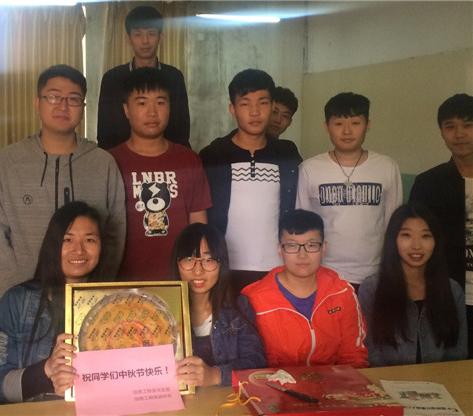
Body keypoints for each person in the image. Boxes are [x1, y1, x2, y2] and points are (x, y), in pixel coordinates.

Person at [0, 64, 125, 296]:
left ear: (83, 108)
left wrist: (98, 289)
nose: (63, 105)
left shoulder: (103, 163)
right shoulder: (8, 162)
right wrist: (13, 297)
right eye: (53, 97)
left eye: (73, 99)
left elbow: (115, 234)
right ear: (37, 103)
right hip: (24, 296)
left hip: (88, 300)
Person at [0, 201, 106, 403]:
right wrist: (48, 369)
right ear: (52, 245)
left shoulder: (115, 305)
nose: (79, 250)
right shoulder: (16, 301)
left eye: (89, 240)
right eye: (67, 239)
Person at [199, 69, 302, 291]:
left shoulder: (287, 154)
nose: (254, 112)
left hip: (276, 268)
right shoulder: (213, 155)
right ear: (233, 109)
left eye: (262, 103)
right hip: (223, 268)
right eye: (245, 104)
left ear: (272, 106)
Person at [110, 67, 211, 282]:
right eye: (142, 103)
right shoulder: (110, 161)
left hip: (179, 282)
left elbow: (199, 227)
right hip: (123, 283)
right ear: (126, 109)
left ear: (170, 106)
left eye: (160, 102)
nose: (152, 112)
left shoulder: (189, 160)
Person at [296, 92, 402, 291]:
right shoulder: (309, 169)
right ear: (326, 126)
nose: (347, 131)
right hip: (325, 272)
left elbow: (394, 224)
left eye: (355, 123)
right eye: (338, 124)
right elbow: (303, 226)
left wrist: (392, 268)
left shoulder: (387, 167)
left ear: (367, 125)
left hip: (375, 273)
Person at [242, 209, 368, 368]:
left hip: (334, 381)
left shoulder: (342, 292)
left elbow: (354, 358)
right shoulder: (253, 299)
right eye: (292, 245)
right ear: (280, 250)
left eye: (311, 245)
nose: (302, 255)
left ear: (323, 249)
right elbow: (255, 362)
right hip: (275, 381)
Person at [358, 204, 467, 367]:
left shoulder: (453, 290)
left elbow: (457, 353)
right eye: (406, 235)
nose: (416, 245)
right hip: (385, 379)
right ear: (394, 239)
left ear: (436, 241)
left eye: (425, 236)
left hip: (442, 380)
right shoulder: (371, 289)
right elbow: (370, 352)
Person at [409, 93, 473, 358]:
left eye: (468, 125)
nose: (459, 134)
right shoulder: (429, 183)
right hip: (447, 293)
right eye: (450, 126)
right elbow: (415, 241)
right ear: (442, 132)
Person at [172, 223, 266, 387]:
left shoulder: (238, 307)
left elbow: (257, 363)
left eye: (208, 260)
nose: (198, 271)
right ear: (177, 263)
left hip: (225, 400)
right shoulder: (161, 311)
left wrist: (215, 376)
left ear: (221, 263)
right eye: (189, 259)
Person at [97, 5, 190, 150]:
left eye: (151, 33)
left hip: (166, 156)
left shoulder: (174, 77)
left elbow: (182, 130)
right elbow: (104, 132)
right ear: (128, 39)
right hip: (121, 158)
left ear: (160, 37)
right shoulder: (112, 78)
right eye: (138, 34)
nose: (145, 41)